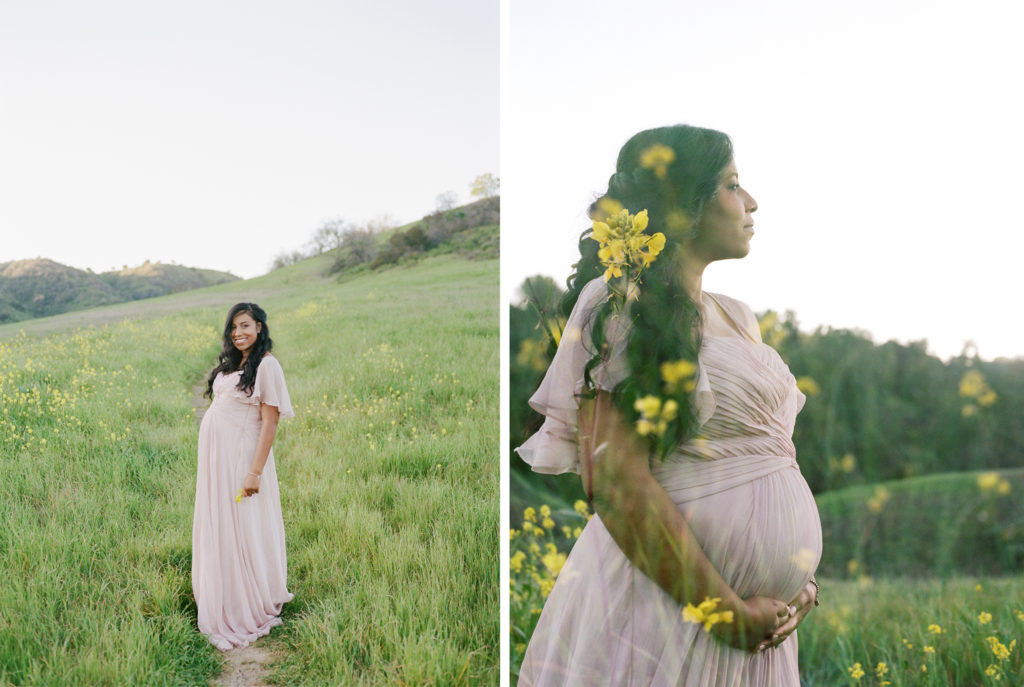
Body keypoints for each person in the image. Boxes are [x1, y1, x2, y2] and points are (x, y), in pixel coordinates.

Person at [516, 125, 821, 685]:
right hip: (665, 616)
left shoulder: (739, 316)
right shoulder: (618, 302)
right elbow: (615, 482)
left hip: (765, 630)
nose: (751, 202)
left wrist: (799, 584)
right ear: (683, 205)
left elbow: (772, 463)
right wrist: (721, 610)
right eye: (732, 185)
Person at [192, 302, 295, 650]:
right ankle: (224, 590)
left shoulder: (268, 366)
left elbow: (270, 422)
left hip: (242, 460)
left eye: (246, 326)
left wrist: (255, 472)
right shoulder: (233, 364)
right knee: (222, 524)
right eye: (234, 327)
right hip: (217, 461)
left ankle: (249, 598)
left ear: (260, 327)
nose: (238, 333)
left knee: (244, 524)